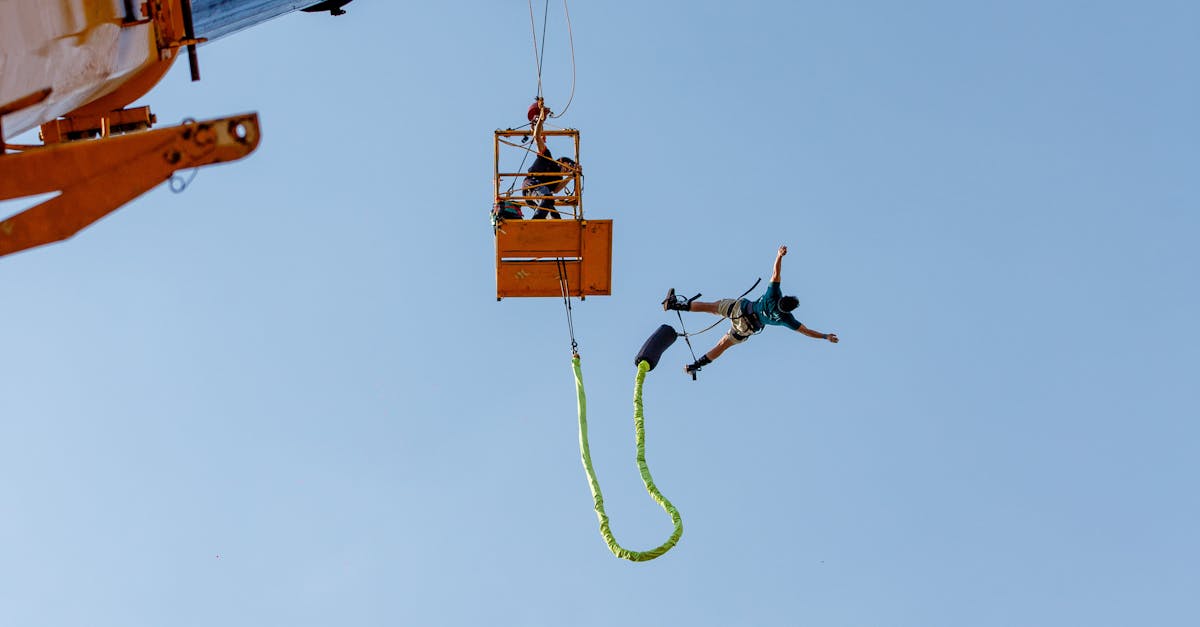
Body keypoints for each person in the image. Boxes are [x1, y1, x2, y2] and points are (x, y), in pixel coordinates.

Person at [663, 245, 839, 375]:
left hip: (740, 310)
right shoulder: (786, 319)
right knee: (723, 345)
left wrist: (779, 255)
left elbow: (776, 273)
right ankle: (695, 366)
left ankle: (674, 305)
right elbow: (806, 331)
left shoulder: (773, 295)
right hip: (747, 329)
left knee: (712, 307)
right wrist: (825, 336)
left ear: (783, 298)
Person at [523, 99, 577, 219]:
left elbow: (556, 190)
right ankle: (535, 223)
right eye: (567, 167)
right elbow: (537, 137)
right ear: (561, 163)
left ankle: (541, 226)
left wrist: (571, 176)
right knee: (547, 198)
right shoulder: (547, 157)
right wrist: (541, 119)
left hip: (539, 193)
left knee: (555, 216)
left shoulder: (557, 178)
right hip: (532, 185)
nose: (566, 170)